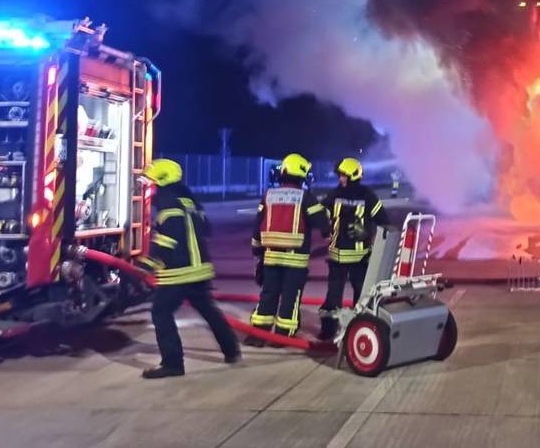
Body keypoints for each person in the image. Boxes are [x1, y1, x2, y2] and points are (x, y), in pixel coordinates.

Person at [138, 159, 240, 379]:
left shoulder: (168, 204)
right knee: (208, 310)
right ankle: (231, 350)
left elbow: (166, 242)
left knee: (161, 312)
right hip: (200, 270)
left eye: (151, 182)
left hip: (179, 272)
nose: (149, 187)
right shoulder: (188, 200)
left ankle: (172, 363)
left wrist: (147, 265)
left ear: (162, 182)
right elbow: (207, 230)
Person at [245, 153, 329, 346]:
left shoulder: (268, 195)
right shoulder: (305, 197)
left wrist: (257, 252)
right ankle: (282, 335)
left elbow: (258, 226)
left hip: (271, 257)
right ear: (301, 174)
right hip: (295, 260)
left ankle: (260, 333)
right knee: (291, 296)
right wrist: (327, 232)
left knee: (268, 294)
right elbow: (321, 222)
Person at [317, 158, 390, 340]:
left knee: (359, 296)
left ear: (353, 175)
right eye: (340, 175)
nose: (341, 178)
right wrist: (325, 228)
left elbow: (384, 221)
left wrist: (366, 232)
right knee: (338, 297)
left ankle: (354, 330)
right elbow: (321, 216)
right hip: (343, 257)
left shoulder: (362, 195)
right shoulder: (358, 195)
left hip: (357, 258)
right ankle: (335, 330)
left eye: (344, 175)